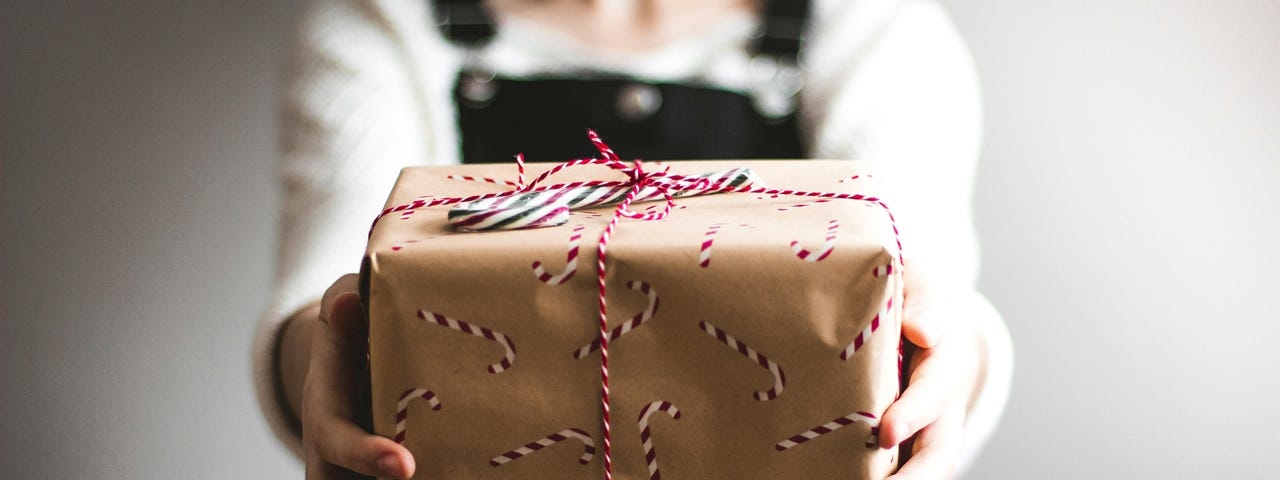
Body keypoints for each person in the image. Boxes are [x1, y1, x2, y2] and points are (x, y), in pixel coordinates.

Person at [252, 0, 1014, 478]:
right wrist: (325, 366)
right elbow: (324, 291)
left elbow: (929, 285)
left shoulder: (871, 24)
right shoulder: (385, 21)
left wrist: (956, 359)